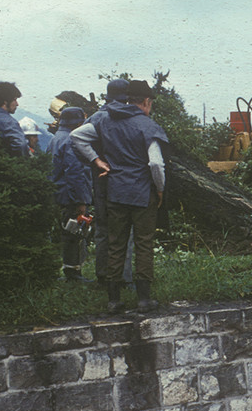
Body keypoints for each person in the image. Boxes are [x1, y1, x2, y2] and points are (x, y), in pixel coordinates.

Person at [73, 79, 167, 314]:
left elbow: (77, 136)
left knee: (116, 244)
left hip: (115, 192)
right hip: (142, 193)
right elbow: (156, 162)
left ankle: (113, 300)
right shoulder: (147, 125)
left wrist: (96, 160)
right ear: (146, 102)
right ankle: (144, 299)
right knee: (144, 244)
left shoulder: (105, 119)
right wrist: (160, 188)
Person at [71, 78, 134, 288]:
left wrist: (94, 161)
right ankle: (122, 277)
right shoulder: (129, 117)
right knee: (126, 230)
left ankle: (103, 276)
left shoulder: (97, 118)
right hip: (125, 181)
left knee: (103, 230)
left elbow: (77, 141)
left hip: (101, 182)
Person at [49, 106, 93, 282]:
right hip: (70, 195)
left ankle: (69, 270)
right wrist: (80, 200)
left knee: (67, 231)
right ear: (78, 123)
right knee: (75, 232)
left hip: (59, 193)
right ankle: (73, 273)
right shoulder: (71, 140)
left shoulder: (56, 138)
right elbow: (75, 172)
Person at [0, 82, 30, 157]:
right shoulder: (8, 122)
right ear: (5, 102)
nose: (17, 104)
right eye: (14, 100)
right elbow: (20, 145)